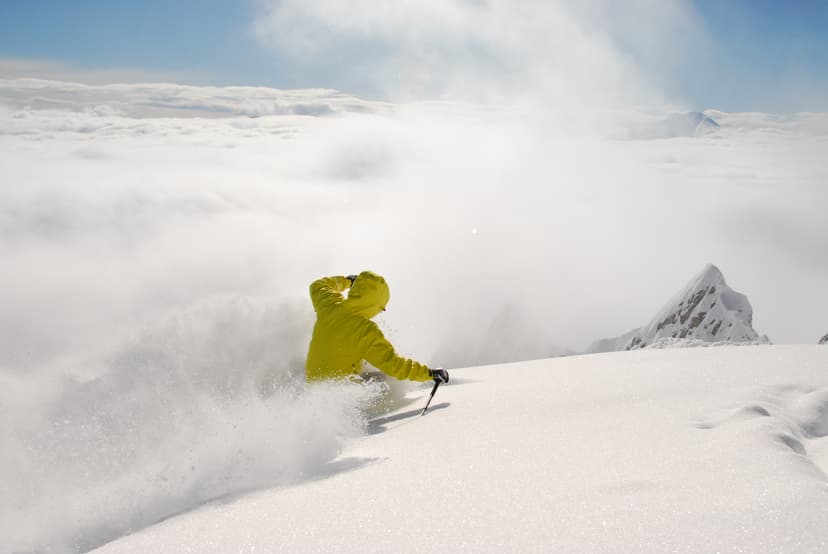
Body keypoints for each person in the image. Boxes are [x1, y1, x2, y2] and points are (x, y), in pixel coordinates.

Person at [305, 271, 449, 385]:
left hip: (312, 385)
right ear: (375, 305)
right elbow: (394, 365)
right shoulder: (364, 330)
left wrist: (348, 281)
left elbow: (317, 285)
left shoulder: (330, 305)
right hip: (341, 396)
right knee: (389, 382)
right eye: (381, 308)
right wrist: (429, 373)